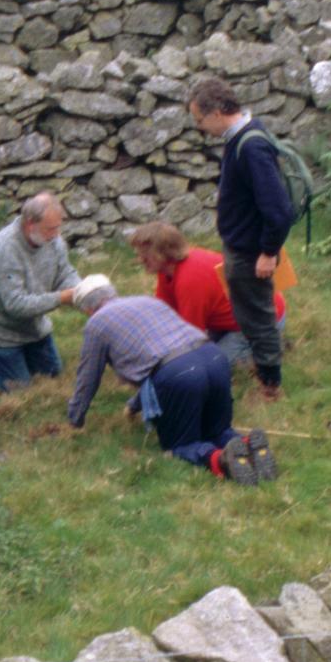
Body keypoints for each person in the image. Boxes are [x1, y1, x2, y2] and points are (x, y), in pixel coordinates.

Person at [65, 275, 277, 485]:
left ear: (86, 309)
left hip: (179, 373)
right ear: (112, 292)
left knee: (181, 445)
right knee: (218, 430)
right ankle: (248, 445)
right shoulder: (147, 301)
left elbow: (88, 377)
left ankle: (219, 460)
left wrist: (75, 419)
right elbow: (155, 363)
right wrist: (134, 406)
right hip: (213, 357)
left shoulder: (96, 324)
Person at [187, 77, 297, 402]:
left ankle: (270, 387)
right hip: (243, 246)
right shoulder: (242, 138)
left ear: (218, 111)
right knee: (248, 313)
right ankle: (266, 367)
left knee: (258, 317)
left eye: (200, 120)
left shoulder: (250, 146)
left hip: (251, 252)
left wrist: (268, 252)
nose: (201, 128)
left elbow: (279, 209)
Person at [129, 221, 285, 373]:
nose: (140, 259)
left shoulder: (190, 279)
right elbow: (163, 314)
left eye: (146, 254)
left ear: (165, 252)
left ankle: (268, 346)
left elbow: (191, 336)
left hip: (261, 321)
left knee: (210, 367)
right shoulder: (168, 270)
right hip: (230, 322)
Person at [0, 192, 81, 389]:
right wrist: (61, 298)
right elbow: (15, 304)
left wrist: (82, 290)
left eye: (58, 227)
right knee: (19, 388)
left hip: (34, 326)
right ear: (30, 224)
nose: (57, 234)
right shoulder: (5, 247)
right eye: (51, 229)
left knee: (52, 375)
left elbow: (64, 272)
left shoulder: (53, 240)